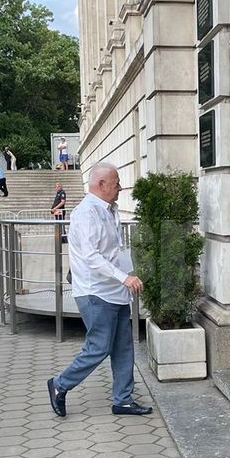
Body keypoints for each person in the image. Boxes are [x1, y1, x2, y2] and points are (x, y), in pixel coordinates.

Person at [47, 163, 151, 417]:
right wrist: (124, 278)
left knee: (123, 347)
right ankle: (60, 384)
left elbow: (114, 251)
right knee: (99, 347)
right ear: (101, 184)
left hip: (115, 291)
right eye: (116, 183)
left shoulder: (110, 210)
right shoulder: (86, 213)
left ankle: (123, 400)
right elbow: (92, 256)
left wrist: (127, 275)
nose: (120, 188)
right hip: (95, 293)